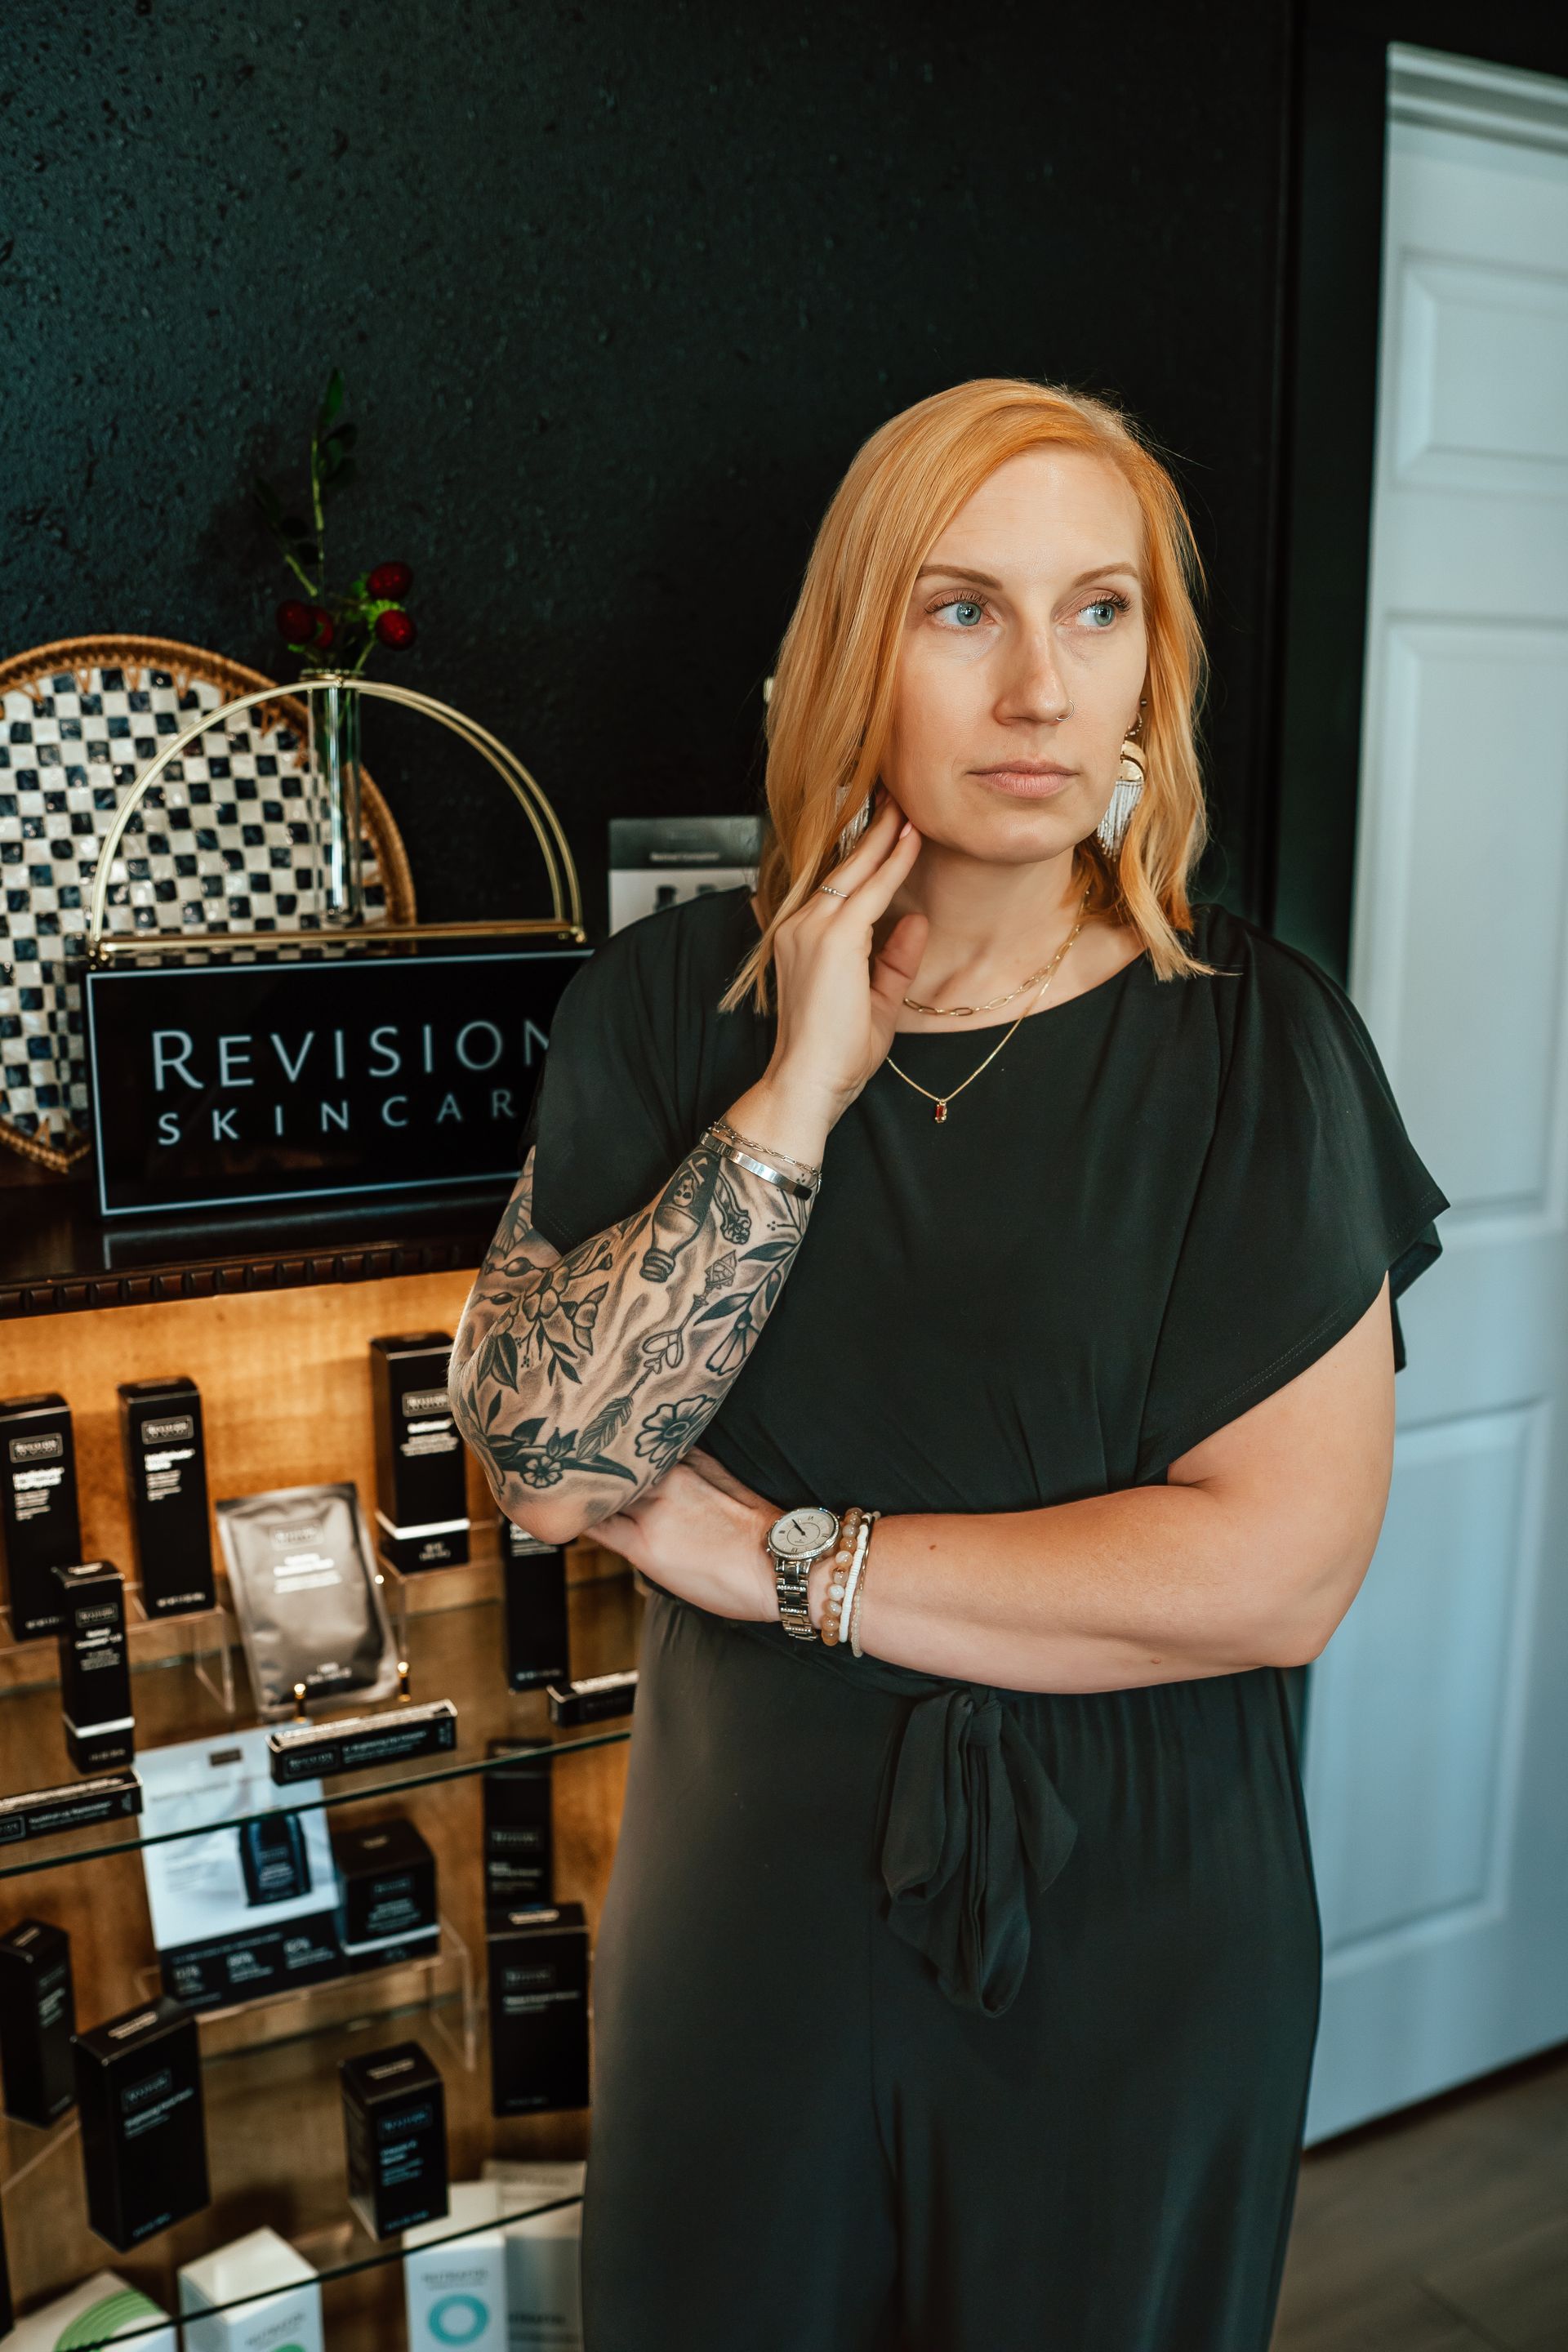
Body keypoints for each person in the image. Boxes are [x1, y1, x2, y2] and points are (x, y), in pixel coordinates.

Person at [450, 376, 1449, 2352]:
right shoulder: (674, 1005)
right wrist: (803, 1089)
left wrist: (783, 1563)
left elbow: (1274, 1573)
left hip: (1141, 1929)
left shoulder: (1261, 1048)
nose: (1040, 690)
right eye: (962, 608)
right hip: (754, 1899)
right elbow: (553, 1466)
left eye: (1101, 612)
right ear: (854, 656)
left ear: (1156, 667)